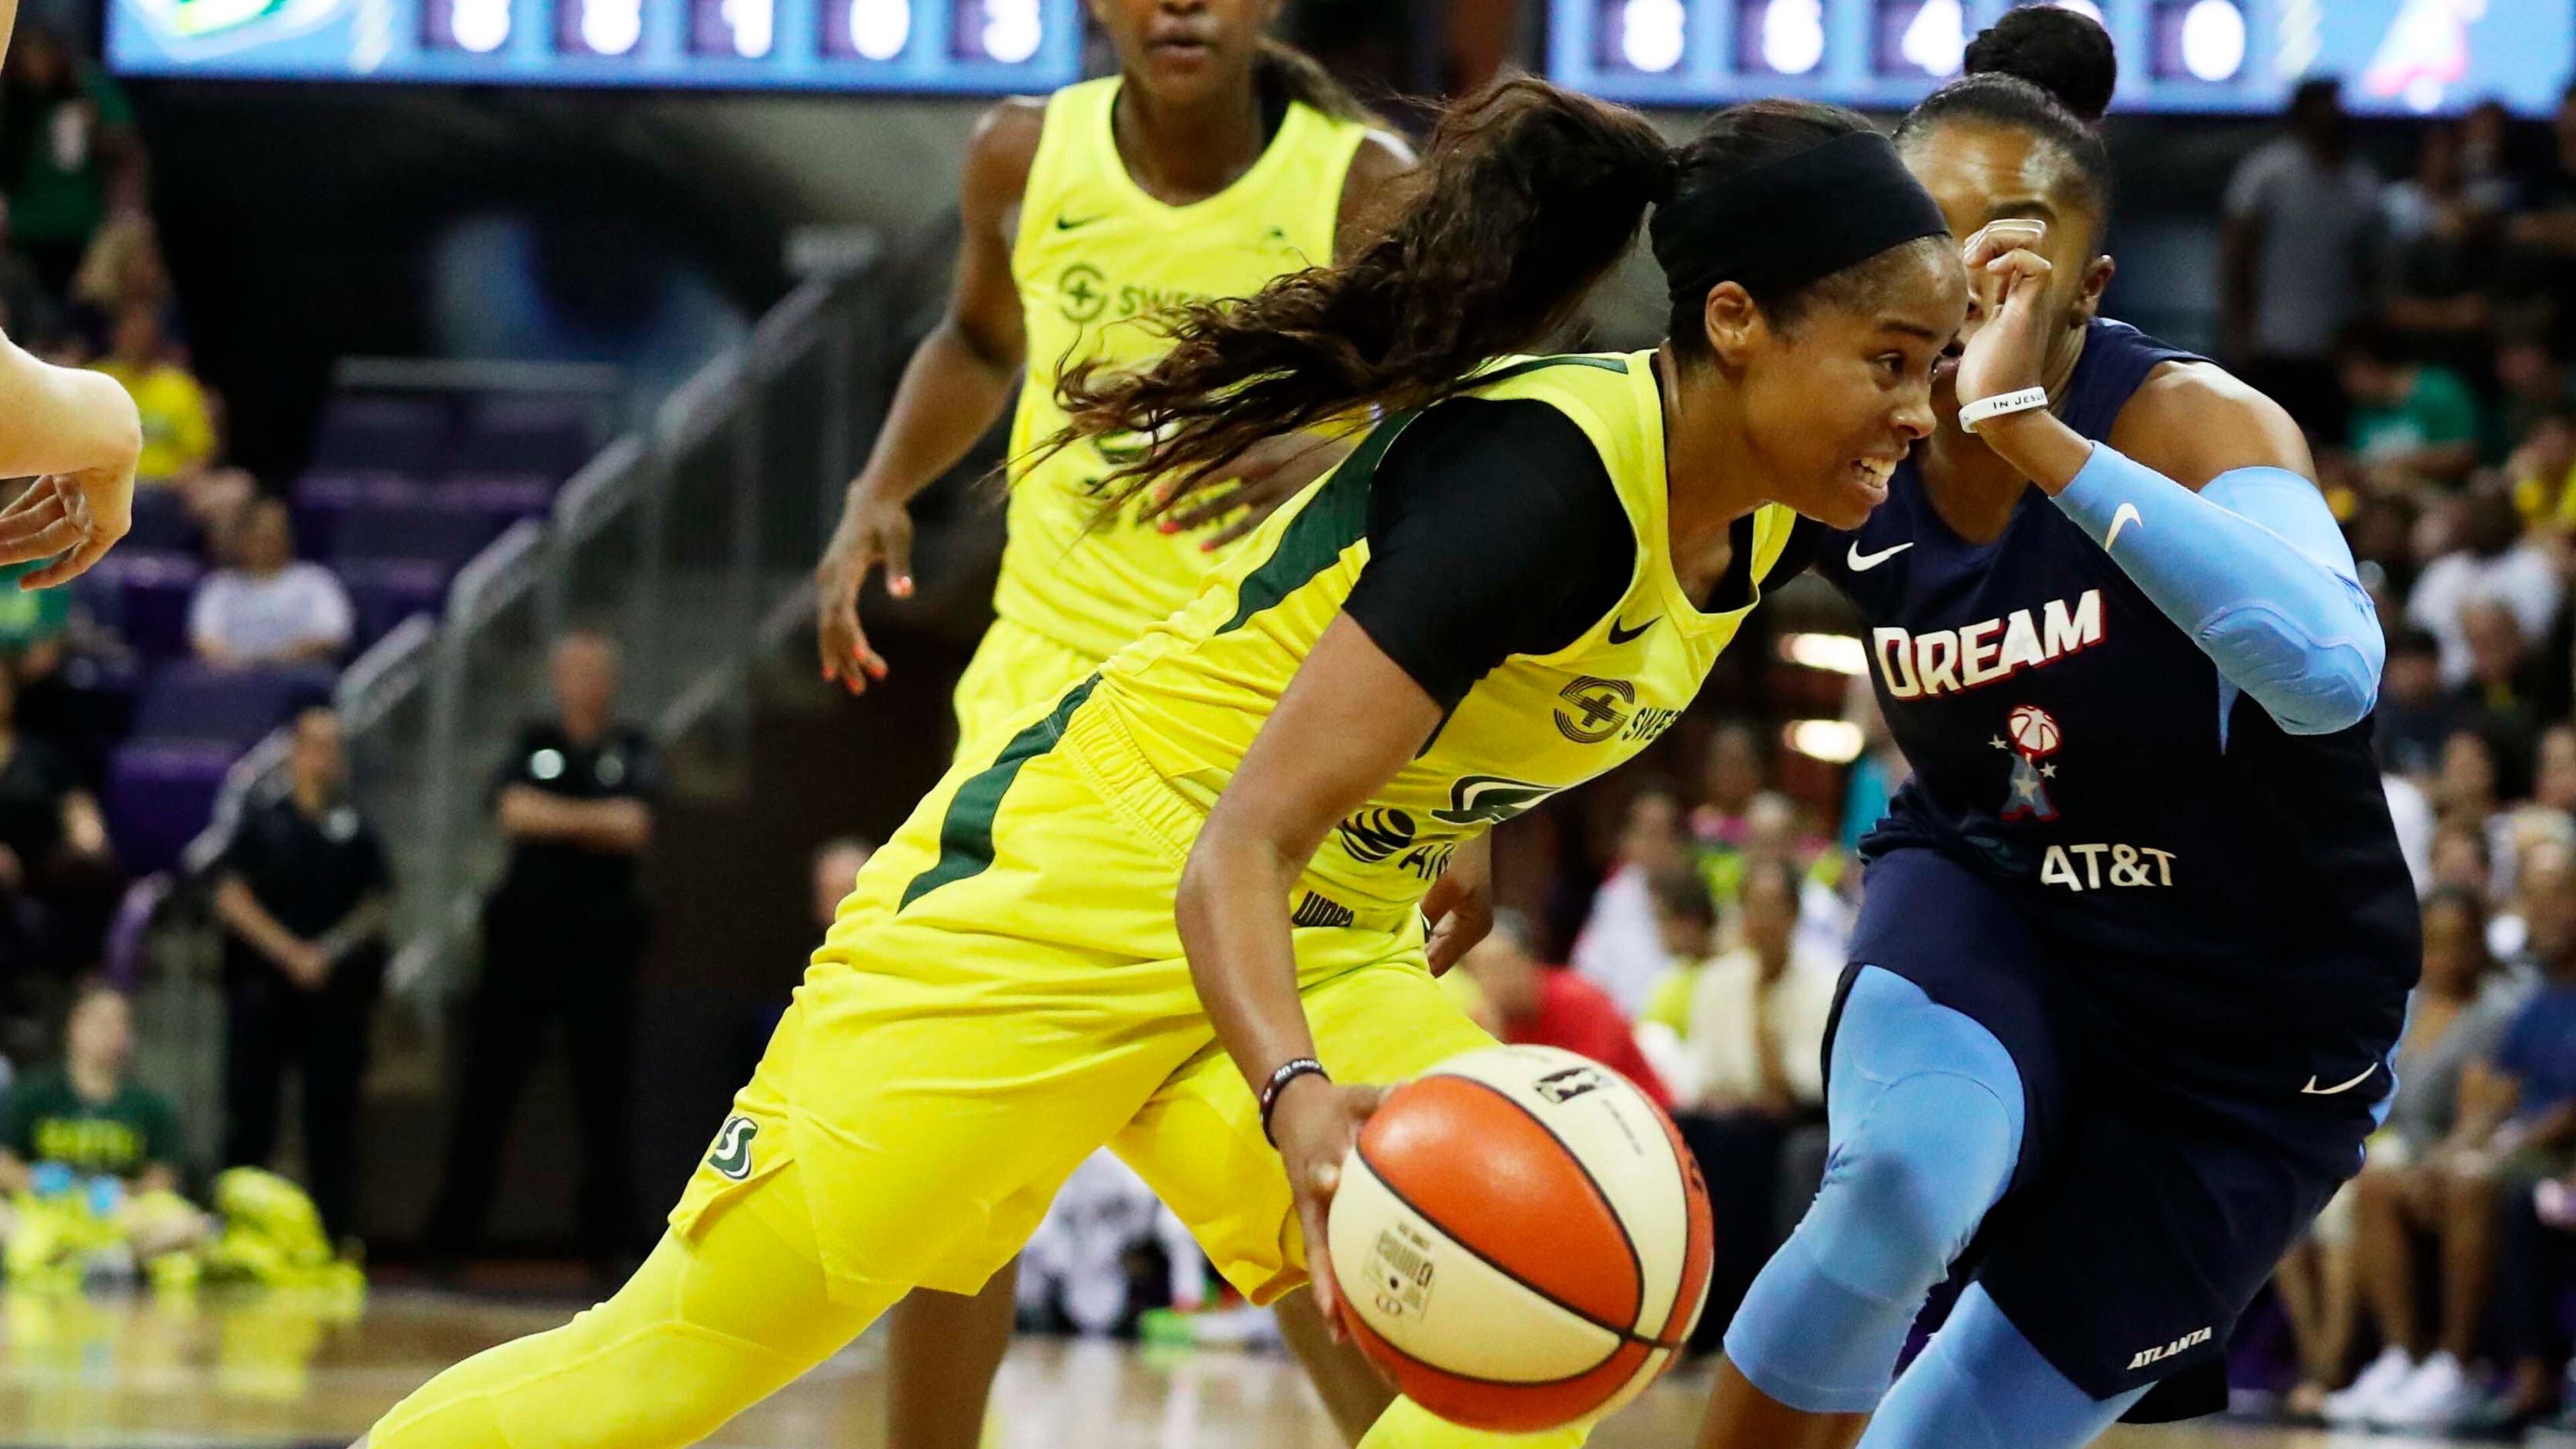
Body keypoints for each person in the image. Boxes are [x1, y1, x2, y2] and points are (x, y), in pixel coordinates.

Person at [357, 74, 1968, 1449]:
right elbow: (1236, 846)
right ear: (1737, 325)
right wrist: (1300, 1103)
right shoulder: (1542, 481)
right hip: (1084, 885)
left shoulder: (1762, 507)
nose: (1915, 408)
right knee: (678, 1359)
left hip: (1317, 925)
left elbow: (1459, 692)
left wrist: (1448, 815)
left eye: (1932, 367)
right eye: (1888, 360)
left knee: (1531, 1355)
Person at [1705, 11, 2414, 1448]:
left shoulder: (2195, 423)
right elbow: (1626, 581)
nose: (1961, 281)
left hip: (2249, 1034)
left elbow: (2332, 676)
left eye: (2004, 244)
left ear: (2089, 282)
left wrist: (2037, 435)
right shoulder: (1851, 434)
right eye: (1927, 240)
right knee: (1899, 1180)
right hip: (2001, 893)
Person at [806, 3, 1413, 1439]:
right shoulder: (1020, 153)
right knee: (952, 1156)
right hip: (1037, 721)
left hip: (1251, 734)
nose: (1182, 5)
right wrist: (876, 487)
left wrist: (1347, 445)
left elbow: (1464, 437)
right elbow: (972, 337)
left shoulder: (1358, 178)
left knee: (1281, 1167)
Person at [423, 632, 657, 1273]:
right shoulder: (533, 741)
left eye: (595, 670)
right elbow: (514, 813)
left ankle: (609, 1243)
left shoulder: (631, 746)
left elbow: (634, 826)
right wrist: (593, 820)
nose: (584, 682)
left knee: (604, 1101)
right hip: (523, 944)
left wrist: (560, 818)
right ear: (558, 679)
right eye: (573, 670)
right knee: (486, 1093)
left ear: (609, 680)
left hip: (603, 949)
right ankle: (450, 1240)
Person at [2319, 885, 2532, 1430]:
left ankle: (2453, 1367)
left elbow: (2481, 1112)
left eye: (2455, 943)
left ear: (2477, 945)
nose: (2442, 958)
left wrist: (2434, 1163)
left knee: (2439, 1180)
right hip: (2402, 1151)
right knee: (2373, 1180)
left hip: (2459, 1149)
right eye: (2432, 944)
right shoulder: (2407, 1004)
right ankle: (2400, 1358)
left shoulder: (2494, 1009)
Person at [212, 707, 390, 1242]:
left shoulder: (355, 824)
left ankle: (333, 1238)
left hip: (333, 997)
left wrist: (327, 953)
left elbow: (377, 903)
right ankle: (234, 1233)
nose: (323, 756)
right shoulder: (262, 816)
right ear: (294, 751)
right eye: (314, 744)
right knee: (251, 1117)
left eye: (333, 746)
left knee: (330, 1122)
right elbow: (230, 895)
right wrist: (288, 952)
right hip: (263, 991)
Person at [2218, 76, 2379, 445]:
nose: (2333, 115)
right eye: (2323, 105)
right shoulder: (2266, 173)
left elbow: (2369, 270)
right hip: (2270, 345)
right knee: (2265, 447)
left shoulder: (2362, 184)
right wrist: (2238, 331)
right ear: (2303, 112)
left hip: (2335, 350)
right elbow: (2236, 255)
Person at [0, 980, 204, 1269]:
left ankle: (100, 1262)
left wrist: (125, 1192)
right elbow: (3, 1166)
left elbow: (162, 1180)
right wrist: (35, 1180)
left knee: (187, 1225)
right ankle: (75, 1260)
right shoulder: (32, 1094)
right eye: (102, 1022)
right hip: (44, 1212)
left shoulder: (150, 1105)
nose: (114, 1033)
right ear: (74, 1026)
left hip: (121, 1216)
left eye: (122, 1023)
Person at [1455, 910, 1669, 1107]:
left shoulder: (1579, 999)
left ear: (1529, 960)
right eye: (1482, 970)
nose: (1496, 979)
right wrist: (1496, 1043)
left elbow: (1587, 1083)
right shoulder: (1484, 1023)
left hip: (1634, 1110)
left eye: (1502, 964)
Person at [1566, 782, 1687, 1019]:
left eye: (1665, 834)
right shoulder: (1614, 897)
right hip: (1625, 1026)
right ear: (1628, 840)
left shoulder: (1695, 893)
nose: (1656, 845)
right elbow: (1588, 972)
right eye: (1648, 833)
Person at [189, 498, 354, 668]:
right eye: (257, 536)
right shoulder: (219, 586)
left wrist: (281, 661)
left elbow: (333, 635)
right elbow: (205, 640)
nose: (264, 544)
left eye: (272, 535)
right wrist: (241, 666)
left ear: (288, 537)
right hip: (233, 676)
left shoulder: (316, 581)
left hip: (299, 675)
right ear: (241, 539)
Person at [91, 302, 214, 489]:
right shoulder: (96, 381)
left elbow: (198, 455)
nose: (137, 341)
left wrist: (176, 484)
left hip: (168, 489)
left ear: (156, 339)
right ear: (116, 335)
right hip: (108, 487)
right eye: (131, 333)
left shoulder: (180, 387)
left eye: (144, 334)